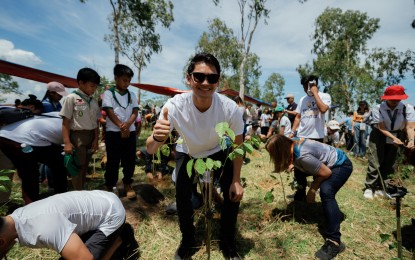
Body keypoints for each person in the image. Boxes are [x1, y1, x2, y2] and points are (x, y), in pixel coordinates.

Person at [146, 53, 244, 259]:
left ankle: (228, 242)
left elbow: (237, 144)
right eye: (199, 77)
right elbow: (151, 149)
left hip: (217, 150)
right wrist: (157, 136)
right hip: (187, 151)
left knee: (232, 194)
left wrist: (236, 180)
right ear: (188, 78)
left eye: (212, 78)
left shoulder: (229, 108)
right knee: (182, 197)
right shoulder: (173, 106)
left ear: (218, 81)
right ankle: (188, 240)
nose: (205, 83)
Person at [265, 134, 352, 260]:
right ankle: (300, 200)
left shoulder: (302, 156)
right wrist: (290, 163)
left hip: (340, 165)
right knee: (298, 169)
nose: (272, 157)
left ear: (280, 151)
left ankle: (334, 242)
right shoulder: (292, 143)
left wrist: (312, 190)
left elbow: (326, 172)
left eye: (273, 154)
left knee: (326, 191)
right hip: (325, 164)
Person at [0, 190, 126, 260]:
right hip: (99, 198)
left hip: (112, 213)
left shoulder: (44, 228)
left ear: (1, 242)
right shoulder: (15, 217)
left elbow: (85, 259)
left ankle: (117, 242)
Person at [0, 111, 67, 204]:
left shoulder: (59, 114)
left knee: (57, 162)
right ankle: (31, 205)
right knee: (30, 172)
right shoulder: (76, 127)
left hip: (9, 134)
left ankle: (59, 195)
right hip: (20, 140)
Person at [363, 85, 415, 199]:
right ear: (386, 98)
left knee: (390, 163)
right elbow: (381, 127)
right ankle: (369, 187)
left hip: (398, 134)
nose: (394, 101)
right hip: (379, 135)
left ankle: (382, 187)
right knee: (375, 161)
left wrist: (411, 140)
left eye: (397, 99)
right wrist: (393, 138)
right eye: (392, 99)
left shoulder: (408, 108)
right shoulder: (377, 108)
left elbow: (410, 127)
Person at [290, 75, 332, 201]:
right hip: (301, 136)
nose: (305, 89)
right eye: (303, 86)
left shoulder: (325, 96)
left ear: (314, 84)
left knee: (317, 167)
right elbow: (298, 117)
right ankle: (300, 192)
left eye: (307, 86)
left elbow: (323, 109)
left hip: (316, 137)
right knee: (298, 168)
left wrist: (315, 93)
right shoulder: (302, 99)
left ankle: (314, 191)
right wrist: (292, 132)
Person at [60, 68, 101, 190]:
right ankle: (78, 193)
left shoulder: (93, 101)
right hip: (78, 137)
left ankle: (81, 189)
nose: (93, 89)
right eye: (92, 86)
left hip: (91, 136)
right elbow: (65, 122)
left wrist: (95, 140)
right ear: (81, 82)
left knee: (85, 166)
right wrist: (67, 142)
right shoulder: (71, 98)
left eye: (95, 87)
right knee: (77, 166)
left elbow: (96, 122)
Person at [102, 64, 139, 199]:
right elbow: (108, 110)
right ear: (116, 78)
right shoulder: (108, 93)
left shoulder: (132, 95)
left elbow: (135, 111)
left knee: (129, 159)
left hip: (130, 131)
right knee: (113, 160)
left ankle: (128, 183)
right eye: (124, 80)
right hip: (113, 132)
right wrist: (120, 126)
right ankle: (110, 185)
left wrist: (128, 125)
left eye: (129, 81)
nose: (127, 83)